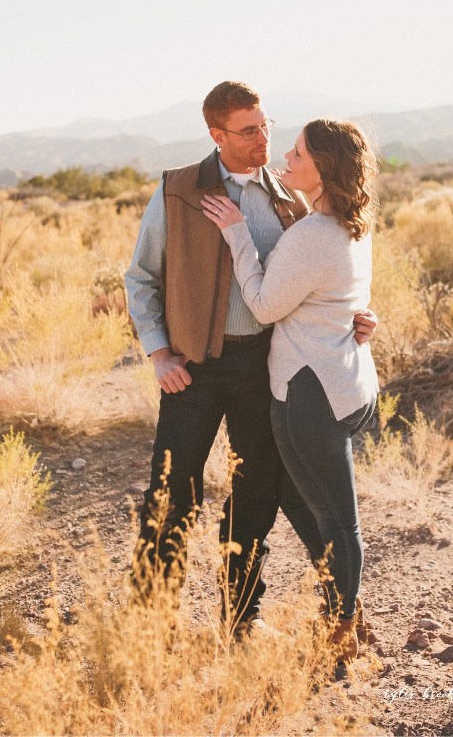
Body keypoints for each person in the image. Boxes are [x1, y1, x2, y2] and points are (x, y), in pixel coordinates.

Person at [124, 81, 376, 632]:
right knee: (171, 496)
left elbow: (318, 275)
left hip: (265, 369)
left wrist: (351, 317)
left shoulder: (290, 198)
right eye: (248, 130)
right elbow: (141, 279)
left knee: (254, 496)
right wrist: (159, 353)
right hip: (191, 370)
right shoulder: (177, 191)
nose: (264, 139)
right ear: (217, 135)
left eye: (268, 126)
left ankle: (239, 616)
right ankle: (149, 624)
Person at [201, 117, 379, 663]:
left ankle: (342, 630)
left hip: (310, 393)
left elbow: (261, 305)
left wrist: (236, 233)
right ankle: (341, 602)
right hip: (344, 382)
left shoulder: (309, 236)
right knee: (297, 499)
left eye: (299, 155)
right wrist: (362, 318)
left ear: (324, 168)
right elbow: (345, 300)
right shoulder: (353, 225)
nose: (287, 161)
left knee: (336, 520)